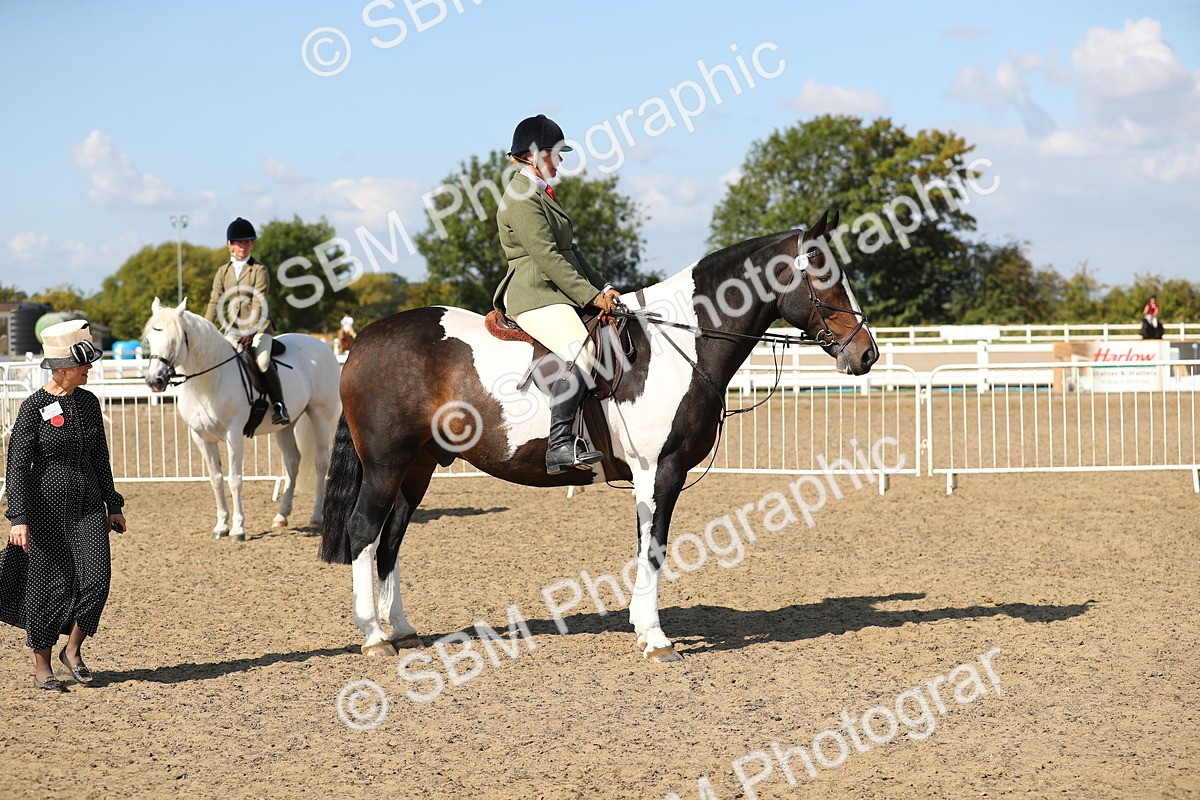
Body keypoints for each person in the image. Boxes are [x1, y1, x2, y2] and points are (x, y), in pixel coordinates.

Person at [0, 320, 127, 692]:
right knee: (46, 585)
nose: (90, 369)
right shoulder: (33, 407)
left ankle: (72, 650)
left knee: (97, 579)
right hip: (43, 512)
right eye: (84, 364)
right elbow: (17, 466)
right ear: (65, 367)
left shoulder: (88, 403)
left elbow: (100, 456)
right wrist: (18, 518)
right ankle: (42, 666)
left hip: (88, 505)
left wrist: (113, 503)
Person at [492, 114, 621, 475]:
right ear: (534, 155)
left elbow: (570, 250)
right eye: (557, 152)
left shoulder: (540, 192)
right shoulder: (520, 197)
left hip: (557, 290)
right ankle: (560, 445)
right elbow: (547, 256)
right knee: (582, 350)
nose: (562, 160)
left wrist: (604, 288)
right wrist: (589, 297)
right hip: (534, 293)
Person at [205, 217, 290, 425]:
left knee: (261, 361)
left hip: (258, 327)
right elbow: (214, 302)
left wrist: (250, 330)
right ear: (230, 245)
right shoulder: (222, 272)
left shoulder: (259, 270)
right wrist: (206, 328)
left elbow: (258, 301)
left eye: (246, 242)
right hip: (232, 328)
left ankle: (279, 405)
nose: (242, 246)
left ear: (252, 244)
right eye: (238, 242)